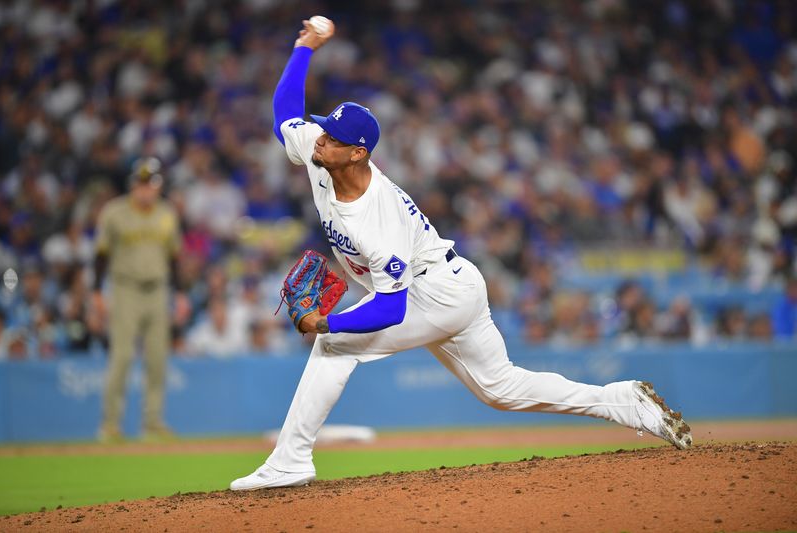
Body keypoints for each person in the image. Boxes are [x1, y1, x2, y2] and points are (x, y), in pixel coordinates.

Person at [230, 19, 692, 490]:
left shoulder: (378, 219)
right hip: (452, 281)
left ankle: (290, 460)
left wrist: (324, 323)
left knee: (334, 346)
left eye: (331, 137)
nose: (319, 138)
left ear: (358, 154)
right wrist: (305, 47)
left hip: (436, 293)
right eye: (323, 132)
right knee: (502, 388)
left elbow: (392, 309)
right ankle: (624, 401)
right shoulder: (320, 152)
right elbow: (284, 112)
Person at [92, 157, 184, 442]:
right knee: (121, 357)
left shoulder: (167, 213)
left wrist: (179, 294)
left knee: (157, 359)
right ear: (134, 184)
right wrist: (96, 292)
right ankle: (110, 425)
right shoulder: (114, 212)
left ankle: (153, 422)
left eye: (152, 184)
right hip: (125, 288)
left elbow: (174, 258)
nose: (147, 189)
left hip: (158, 289)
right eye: (143, 183)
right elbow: (101, 255)